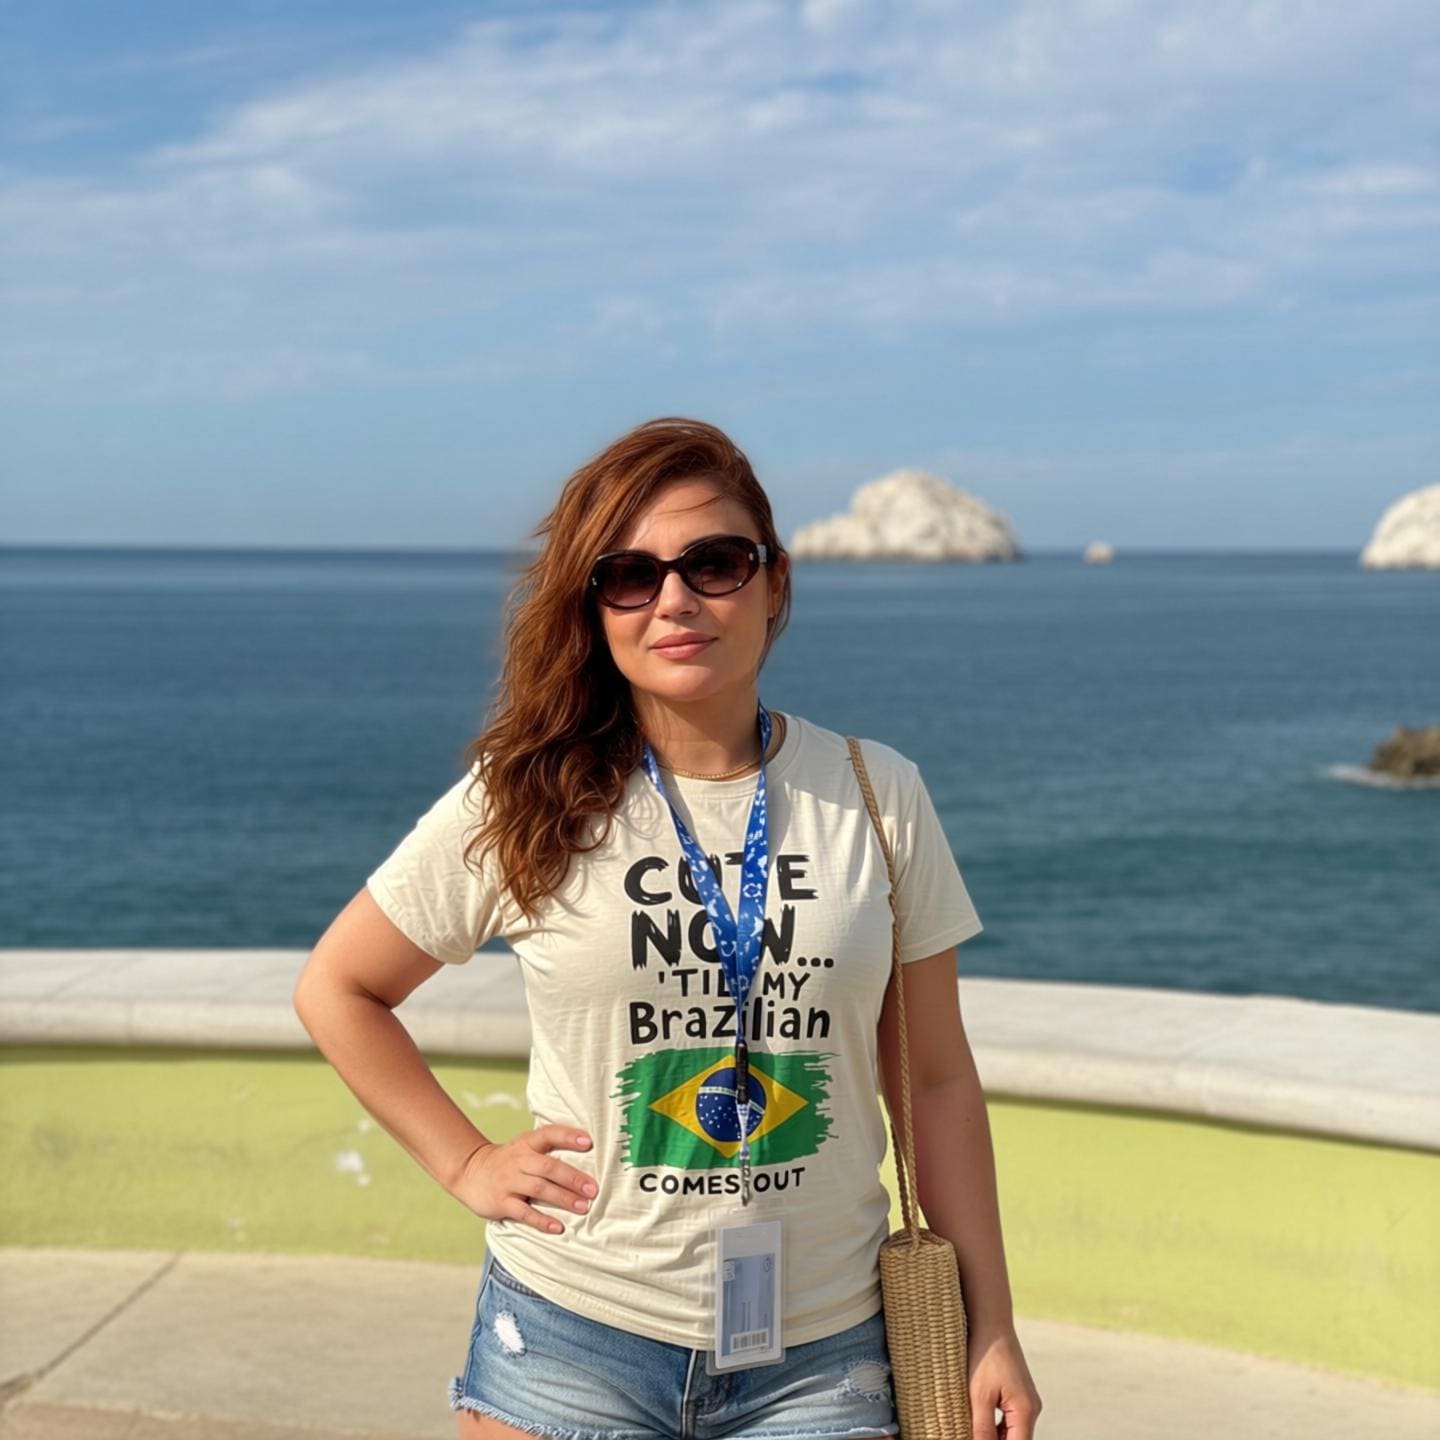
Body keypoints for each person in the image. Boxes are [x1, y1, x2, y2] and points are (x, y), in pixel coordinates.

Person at [293, 417, 1042, 1440]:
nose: (675, 599)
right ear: (594, 607)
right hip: (571, 1336)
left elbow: (935, 1079)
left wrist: (990, 1324)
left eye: (714, 563)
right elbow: (339, 988)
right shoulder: (527, 798)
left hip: (824, 1354)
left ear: (774, 583)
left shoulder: (876, 793)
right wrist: (465, 1163)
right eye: (630, 576)